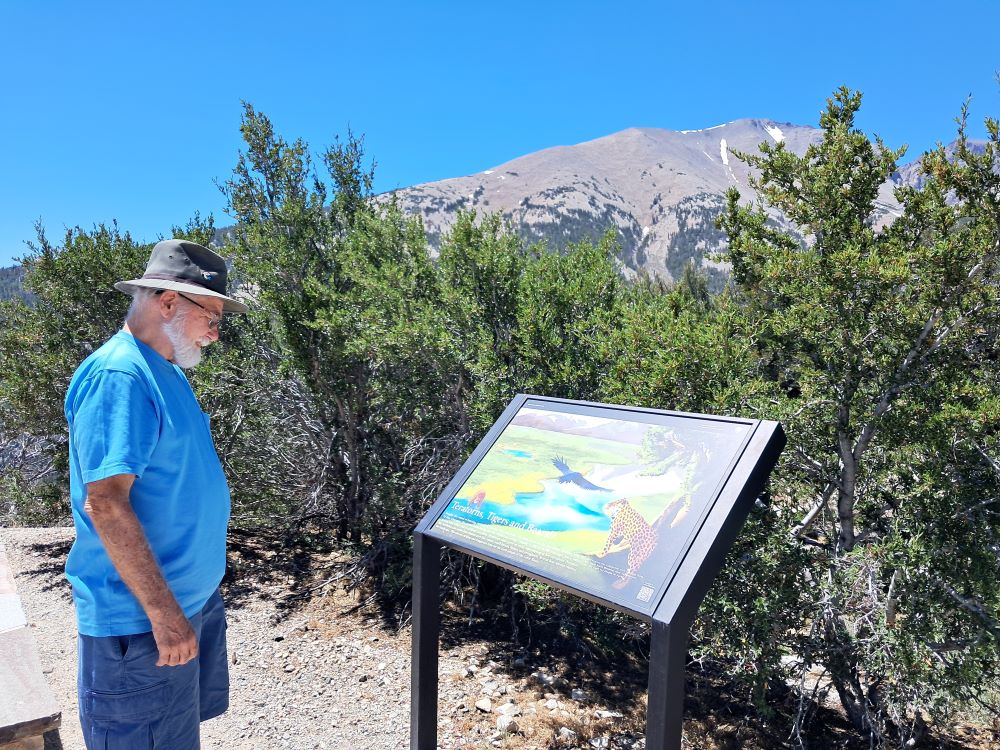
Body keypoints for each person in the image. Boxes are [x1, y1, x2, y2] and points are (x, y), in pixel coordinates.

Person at [64, 239, 248, 749]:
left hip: (188, 602)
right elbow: (105, 502)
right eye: (211, 314)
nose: (215, 331)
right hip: (143, 621)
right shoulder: (120, 374)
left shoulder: (160, 366)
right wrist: (166, 616)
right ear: (167, 302)